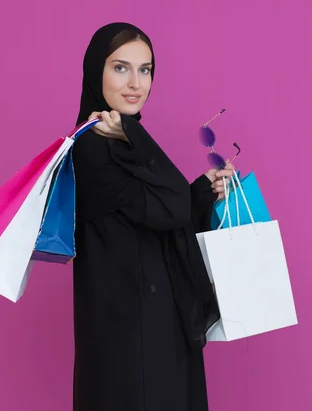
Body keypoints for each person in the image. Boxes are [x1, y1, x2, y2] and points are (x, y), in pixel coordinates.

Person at [71, 22, 235, 411]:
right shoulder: (93, 146)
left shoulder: (122, 142)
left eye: (145, 70)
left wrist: (202, 191)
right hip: (130, 333)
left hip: (153, 321)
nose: (135, 83)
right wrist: (135, 138)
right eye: (120, 67)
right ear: (97, 71)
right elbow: (168, 206)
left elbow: (158, 216)